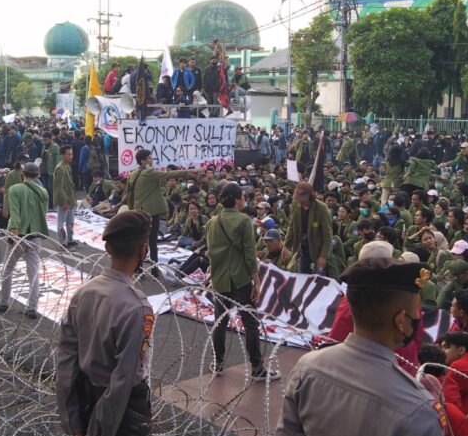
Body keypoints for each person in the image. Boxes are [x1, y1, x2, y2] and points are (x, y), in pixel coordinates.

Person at [274, 257, 443, 436]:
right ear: (401, 321)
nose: (418, 317)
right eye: (416, 312)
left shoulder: (307, 367)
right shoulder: (420, 411)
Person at [56, 210, 155, 436]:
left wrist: (75, 423)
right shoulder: (137, 307)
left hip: (87, 401)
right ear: (144, 250)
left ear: (108, 249)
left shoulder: (84, 292)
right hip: (122, 415)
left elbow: (66, 361)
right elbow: (122, 382)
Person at [205, 182, 279, 381]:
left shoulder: (212, 222)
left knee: (220, 322)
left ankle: (218, 362)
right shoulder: (244, 221)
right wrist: (257, 281)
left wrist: (212, 275)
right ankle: (257, 367)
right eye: (243, 197)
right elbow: (249, 254)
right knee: (251, 323)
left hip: (220, 279)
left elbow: (211, 253)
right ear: (237, 198)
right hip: (240, 279)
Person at [125, 149, 199, 277]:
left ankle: (138, 269)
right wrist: (190, 172)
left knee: (140, 241)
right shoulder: (149, 172)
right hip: (151, 212)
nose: (151, 160)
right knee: (152, 242)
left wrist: (132, 211)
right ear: (143, 161)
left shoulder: (133, 174)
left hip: (138, 211)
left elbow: (129, 195)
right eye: (149, 158)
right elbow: (168, 174)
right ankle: (154, 269)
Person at [0, 162, 49, 317]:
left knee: (7, 269)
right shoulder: (43, 192)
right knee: (33, 273)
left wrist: (15, 235)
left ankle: (3, 302)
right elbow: (43, 214)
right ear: (37, 175)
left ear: (22, 174)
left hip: (18, 235)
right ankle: (32, 308)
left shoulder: (15, 189)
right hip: (35, 236)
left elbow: (15, 213)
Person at [282, 181, 336, 277]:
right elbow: (292, 227)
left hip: (318, 250)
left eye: (299, 194)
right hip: (302, 249)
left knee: (318, 280)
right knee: (301, 277)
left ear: (307, 196)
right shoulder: (295, 205)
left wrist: (323, 256)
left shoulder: (322, 209)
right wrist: (286, 245)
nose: (295, 196)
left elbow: (328, 235)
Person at [54, 144, 77, 246]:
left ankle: (70, 240)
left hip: (70, 198)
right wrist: (64, 201)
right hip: (64, 200)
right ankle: (62, 243)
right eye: (68, 154)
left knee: (70, 221)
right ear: (63, 155)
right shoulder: (60, 168)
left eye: (71, 154)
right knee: (62, 222)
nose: (71, 156)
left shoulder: (67, 166)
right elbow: (59, 187)